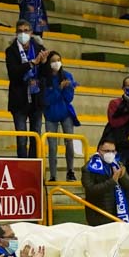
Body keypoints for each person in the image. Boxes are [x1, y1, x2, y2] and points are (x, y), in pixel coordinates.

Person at [6, 19, 47, 159]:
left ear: (31, 32)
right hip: (19, 99)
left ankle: (33, 166)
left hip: (36, 99)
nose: (23, 34)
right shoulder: (11, 51)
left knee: (36, 136)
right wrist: (31, 63)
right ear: (16, 33)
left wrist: (44, 63)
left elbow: (45, 74)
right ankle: (22, 165)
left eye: (25, 31)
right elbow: (13, 73)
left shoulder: (39, 48)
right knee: (22, 138)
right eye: (20, 31)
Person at [42, 50, 78, 183]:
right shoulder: (44, 78)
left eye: (58, 60)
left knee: (69, 142)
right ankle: (53, 175)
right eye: (53, 61)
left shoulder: (67, 75)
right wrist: (58, 88)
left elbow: (69, 98)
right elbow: (47, 100)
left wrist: (68, 88)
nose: (56, 63)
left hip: (65, 113)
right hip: (50, 114)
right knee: (52, 146)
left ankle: (70, 171)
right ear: (49, 63)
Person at [82, 139, 129, 226]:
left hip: (118, 212)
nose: (110, 154)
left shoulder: (118, 164)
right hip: (98, 214)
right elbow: (91, 189)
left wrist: (122, 176)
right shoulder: (89, 167)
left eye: (113, 151)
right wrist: (112, 181)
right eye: (107, 151)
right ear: (99, 151)